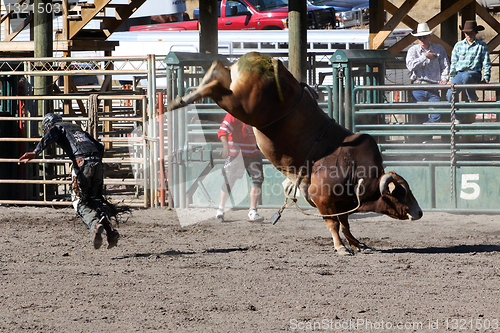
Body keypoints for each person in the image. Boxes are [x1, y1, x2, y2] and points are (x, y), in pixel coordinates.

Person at [19, 113, 120, 250]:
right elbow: (100, 147)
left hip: (82, 163)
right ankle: (110, 230)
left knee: (79, 201)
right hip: (97, 162)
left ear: (49, 125)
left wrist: (36, 151)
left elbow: (53, 133)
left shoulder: (57, 128)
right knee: (95, 198)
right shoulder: (77, 128)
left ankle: (95, 224)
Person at [216, 113, 265, 223]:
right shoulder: (234, 113)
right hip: (236, 154)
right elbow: (223, 131)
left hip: (253, 153)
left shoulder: (258, 112)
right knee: (229, 181)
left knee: (258, 179)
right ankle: (220, 210)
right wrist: (225, 146)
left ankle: (253, 211)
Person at [406, 22, 450, 123]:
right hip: (418, 86)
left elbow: (445, 65)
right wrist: (424, 57)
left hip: (433, 86)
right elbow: (410, 66)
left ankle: (426, 131)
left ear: (429, 36)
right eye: (419, 37)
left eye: (424, 37)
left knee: (437, 114)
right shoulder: (412, 50)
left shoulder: (438, 48)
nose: (422, 39)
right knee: (420, 116)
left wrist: (443, 79)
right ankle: (425, 136)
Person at [446, 20, 492, 112]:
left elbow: (486, 62)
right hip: (460, 73)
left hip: (474, 73)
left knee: (467, 76)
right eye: (466, 33)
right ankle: (458, 116)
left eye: (471, 33)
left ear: (475, 33)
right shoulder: (458, 45)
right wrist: (451, 77)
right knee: (450, 94)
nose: (468, 35)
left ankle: (472, 97)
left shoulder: (481, 45)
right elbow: (454, 63)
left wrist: (486, 77)